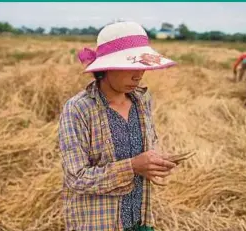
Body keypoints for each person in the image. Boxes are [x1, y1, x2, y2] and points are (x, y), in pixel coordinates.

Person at [58, 21, 177, 231]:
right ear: (106, 67)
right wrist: (132, 166)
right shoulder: (78, 109)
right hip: (98, 223)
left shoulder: (142, 101)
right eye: (129, 66)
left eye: (141, 66)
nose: (138, 74)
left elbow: (148, 147)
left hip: (140, 217)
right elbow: (76, 178)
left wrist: (154, 163)